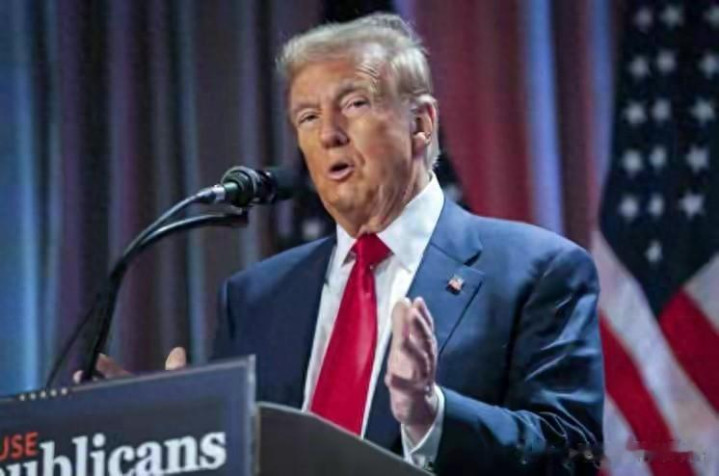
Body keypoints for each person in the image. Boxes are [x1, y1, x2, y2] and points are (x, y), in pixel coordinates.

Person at [92, 13, 604, 475]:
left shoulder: (538, 270)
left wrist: (430, 414)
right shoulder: (255, 297)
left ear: (421, 123)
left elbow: (571, 453)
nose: (328, 135)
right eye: (307, 117)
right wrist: (174, 437)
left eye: (355, 104)